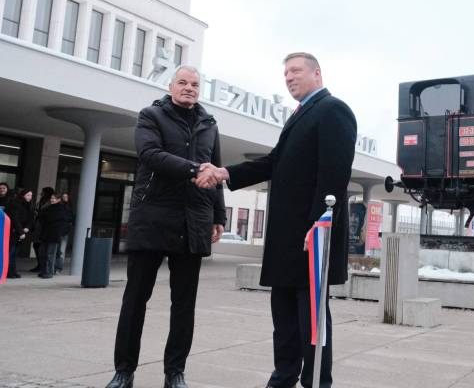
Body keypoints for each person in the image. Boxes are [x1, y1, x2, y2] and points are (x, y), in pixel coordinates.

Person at [196, 52, 357, 388]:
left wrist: (319, 225)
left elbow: (333, 176)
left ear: (317, 73)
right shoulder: (299, 116)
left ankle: (316, 382)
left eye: (295, 71)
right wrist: (227, 172)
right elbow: (274, 162)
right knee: (283, 317)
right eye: (285, 73)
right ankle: (283, 377)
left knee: (310, 318)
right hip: (286, 239)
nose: (289, 77)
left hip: (310, 237)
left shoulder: (333, 110)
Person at [105, 66, 226, 388]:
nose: (189, 88)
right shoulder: (151, 116)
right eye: (183, 83)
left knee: (183, 305)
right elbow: (150, 154)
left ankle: (175, 373)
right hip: (153, 218)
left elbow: (214, 174)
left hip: (193, 220)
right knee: (135, 299)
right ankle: (124, 371)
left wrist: (219, 216)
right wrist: (193, 169)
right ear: (171, 86)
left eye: (195, 84)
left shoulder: (209, 125)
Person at [36, 192, 70, 279]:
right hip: (45, 233)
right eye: (51, 198)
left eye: (54, 198)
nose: (52, 200)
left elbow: (56, 220)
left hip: (54, 235)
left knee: (50, 254)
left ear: (58, 199)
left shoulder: (61, 209)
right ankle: (44, 270)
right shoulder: (48, 208)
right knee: (42, 253)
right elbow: (41, 217)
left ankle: (49, 272)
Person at [6, 188, 34, 278]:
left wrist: (27, 228)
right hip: (14, 231)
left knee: (15, 253)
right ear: (23, 195)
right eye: (28, 195)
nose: (30, 197)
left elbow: (31, 218)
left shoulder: (28, 205)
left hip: (21, 232)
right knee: (11, 252)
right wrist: (21, 231)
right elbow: (15, 219)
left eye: (31, 195)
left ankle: (12, 271)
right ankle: (8, 272)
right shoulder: (15, 204)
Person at [29, 186, 54, 273]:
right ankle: (40, 264)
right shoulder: (41, 201)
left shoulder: (50, 202)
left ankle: (43, 266)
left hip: (44, 227)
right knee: (36, 245)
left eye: (43, 192)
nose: (41, 194)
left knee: (42, 247)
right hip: (37, 225)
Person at [54, 192, 75, 273]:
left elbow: (71, 219)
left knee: (61, 250)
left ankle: (58, 268)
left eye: (66, 196)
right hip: (60, 230)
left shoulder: (69, 207)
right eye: (63, 197)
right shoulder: (61, 207)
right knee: (58, 250)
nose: (65, 198)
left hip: (64, 231)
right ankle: (56, 267)